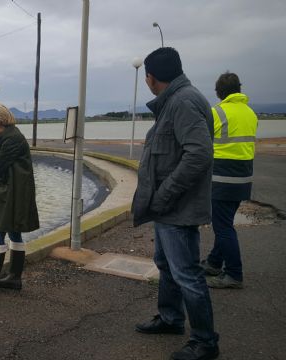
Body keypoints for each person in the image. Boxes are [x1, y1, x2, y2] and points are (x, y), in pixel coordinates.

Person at [131, 47, 219, 360]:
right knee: (167, 265)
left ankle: (205, 341)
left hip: (176, 208)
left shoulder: (182, 102)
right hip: (169, 208)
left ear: (151, 78)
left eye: (147, 77)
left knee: (187, 274)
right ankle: (170, 318)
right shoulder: (178, 100)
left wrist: (164, 194)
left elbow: (199, 154)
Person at [201, 72, 258, 289]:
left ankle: (234, 274)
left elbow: (204, 143)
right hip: (244, 177)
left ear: (218, 93)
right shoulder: (251, 113)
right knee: (224, 222)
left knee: (223, 227)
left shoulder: (217, 112)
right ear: (239, 88)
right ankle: (215, 262)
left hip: (222, 177)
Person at [0, 103, 39, 294]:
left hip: (13, 192)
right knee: (14, 232)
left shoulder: (10, 139)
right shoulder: (13, 136)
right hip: (17, 190)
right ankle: (14, 277)